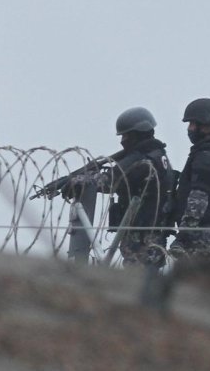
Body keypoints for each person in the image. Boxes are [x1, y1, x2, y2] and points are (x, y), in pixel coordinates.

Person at [62, 106, 174, 268]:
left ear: (137, 134)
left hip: (141, 233)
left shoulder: (144, 161)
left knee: (136, 280)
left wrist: (80, 180)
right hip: (149, 229)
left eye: (126, 136)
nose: (122, 141)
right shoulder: (157, 155)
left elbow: (110, 181)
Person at [170, 97, 210, 265]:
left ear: (206, 126)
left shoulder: (207, 155)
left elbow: (199, 197)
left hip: (200, 235)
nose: (190, 129)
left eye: (193, 124)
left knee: (192, 288)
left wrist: (183, 234)